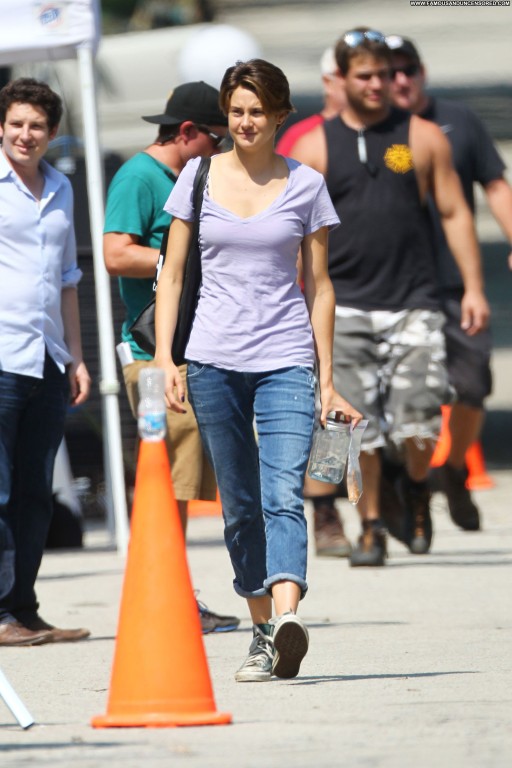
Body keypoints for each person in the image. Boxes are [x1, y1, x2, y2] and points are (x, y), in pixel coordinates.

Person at [154, 59, 362, 682]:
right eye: (237, 111)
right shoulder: (196, 176)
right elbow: (173, 275)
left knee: (282, 495)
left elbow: (319, 286)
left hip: (286, 360)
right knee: (241, 505)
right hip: (212, 360)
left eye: (258, 112)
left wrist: (327, 377)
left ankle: (287, 616)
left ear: (279, 116)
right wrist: (166, 358)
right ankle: (261, 630)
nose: (246, 122)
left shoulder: (306, 184)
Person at [289, 29, 489, 566]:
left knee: (419, 422)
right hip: (346, 305)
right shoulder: (314, 146)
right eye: (365, 76)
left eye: (382, 74)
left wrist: (473, 287)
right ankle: (371, 524)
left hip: (414, 302)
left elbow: (454, 212)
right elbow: (294, 233)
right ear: (341, 79)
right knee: (359, 430)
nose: (377, 84)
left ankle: (417, 487)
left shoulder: (422, 136)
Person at [103, 81, 240, 635]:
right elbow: (116, 253)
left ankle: (173, 593)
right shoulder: (139, 177)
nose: (222, 148)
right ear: (186, 132)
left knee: (180, 480)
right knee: (167, 480)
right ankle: (165, 597)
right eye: (216, 138)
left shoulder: (189, 177)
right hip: (151, 355)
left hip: (188, 350)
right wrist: (179, 255)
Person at [387, 34, 512, 532]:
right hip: (395, 284)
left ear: (422, 72)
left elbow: (495, 184)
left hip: (457, 281)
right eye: (389, 71)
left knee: (472, 383)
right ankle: (406, 483)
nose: (400, 79)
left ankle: (455, 467)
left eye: (407, 69)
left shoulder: (459, 120)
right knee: (404, 396)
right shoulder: (377, 133)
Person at [0, 78, 91, 645]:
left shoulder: (60, 187)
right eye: (16, 124)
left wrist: (76, 357)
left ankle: (24, 608)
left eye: (37, 125)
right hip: (2, 356)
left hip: (47, 360)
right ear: (0, 127)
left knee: (36, 495)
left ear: (52, 133)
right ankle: (0, 613)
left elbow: (67, 280)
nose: (25, 134)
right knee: (0, 492)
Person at [277, 48, 351, 560]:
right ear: (329, 81)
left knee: (361, 412)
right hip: (314, 293)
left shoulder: (403, 135)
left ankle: (391, 489)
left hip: (381, 286)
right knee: (323, 410)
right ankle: (325, 508)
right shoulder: (307, 141)